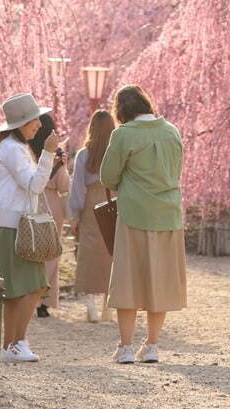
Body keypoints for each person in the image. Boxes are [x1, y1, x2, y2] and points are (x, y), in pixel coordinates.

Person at [100, 85, 186, 364]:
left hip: (135, 214)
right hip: (168, 214)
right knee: (158, 280)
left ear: (121, 111)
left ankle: (125, 347)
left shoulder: (123, 135)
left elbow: (108, 177)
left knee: (128, 280)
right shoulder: (171, 131)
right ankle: (152, 345)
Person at [0, 93, 62, 363]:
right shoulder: (14, 149)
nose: (39, 125)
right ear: (21, 123)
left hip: (7, 225)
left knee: (12, 291)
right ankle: (17, 342)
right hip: (16, 227)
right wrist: (49, 153)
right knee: (34, 285)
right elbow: (34, 185)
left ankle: (11, 345)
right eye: (34, 121)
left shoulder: (9, 147)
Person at [67, 109, 116, 322]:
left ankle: (90, 306)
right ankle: (108, 305)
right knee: (112, 253)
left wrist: (74, 215)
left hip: (91, 205)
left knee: (88, 253)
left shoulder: (84, 154)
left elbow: (77, 187)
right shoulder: (116, 151)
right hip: (114, 202)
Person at [28, 114, 70, 318]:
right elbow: (64, 186)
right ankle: (43, 301)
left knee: (31, 248)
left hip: (32, 203)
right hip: (52, 206)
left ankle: (28, 294)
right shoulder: (55, 156)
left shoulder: (26, 152)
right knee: (51, 254)